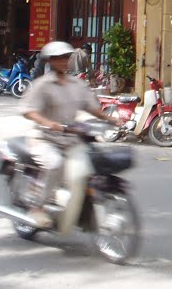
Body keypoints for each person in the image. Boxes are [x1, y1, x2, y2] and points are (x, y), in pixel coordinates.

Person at [19, 40, 122, 227]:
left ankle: (77, 208)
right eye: (57, 58)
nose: (62, 62)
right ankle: (37, 207)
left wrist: (110, 119)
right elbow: (28, 110)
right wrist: (49, 123)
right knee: (55, 164)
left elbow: (91, 107)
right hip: (44, 138)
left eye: (65, 58)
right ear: (50, 61)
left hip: (70, 139)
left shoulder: (76, 84)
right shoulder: (42, 85)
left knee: (91, 165)